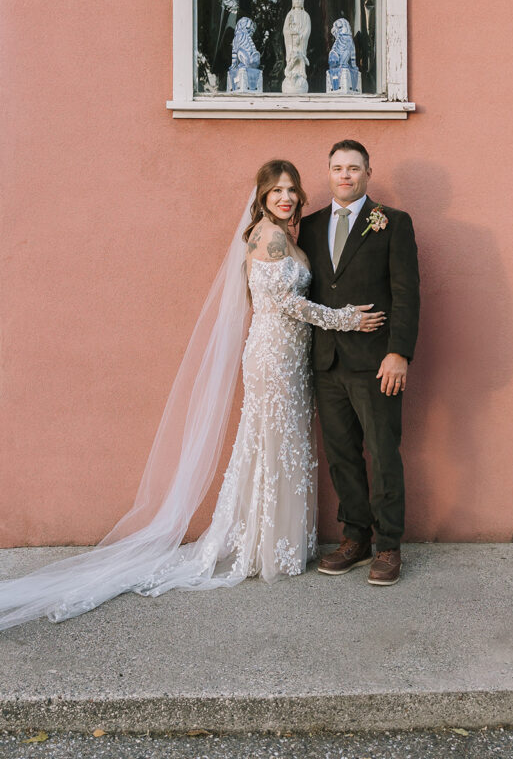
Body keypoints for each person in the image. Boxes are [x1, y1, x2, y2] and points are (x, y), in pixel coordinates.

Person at [0, 160, 384, 629]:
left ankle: (280, 544)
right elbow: (286, 303)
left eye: (291, 190)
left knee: (286, 446)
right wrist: (346, 319)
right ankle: (265, 548)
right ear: (262, 197)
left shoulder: (289, 237)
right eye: (276, 191)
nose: (285, 198)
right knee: (270, 444)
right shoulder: (267, 236)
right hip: (272, 357)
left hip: (293, 357)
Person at [298, 141, 420, 586]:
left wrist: (399, 353)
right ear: (328, 173)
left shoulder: (393, 222)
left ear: (368, 172)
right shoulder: (309, 227)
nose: (345, 175)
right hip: (326, 361)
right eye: (337, 168)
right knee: (341, 454)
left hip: (376, 362)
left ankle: (388, 545)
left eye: (353, 168)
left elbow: (406, 294)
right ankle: (355, 538)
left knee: (383, 452)